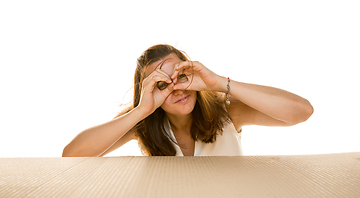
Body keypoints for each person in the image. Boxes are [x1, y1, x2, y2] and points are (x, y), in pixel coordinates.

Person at [62, 44, 314, 157]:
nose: (177, 89)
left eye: (181, 76)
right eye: (162, 84)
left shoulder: (227, 111)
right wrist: (141, 110)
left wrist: (218, 82)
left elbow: (302, 112)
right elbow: (72, 156)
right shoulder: (141, 122)